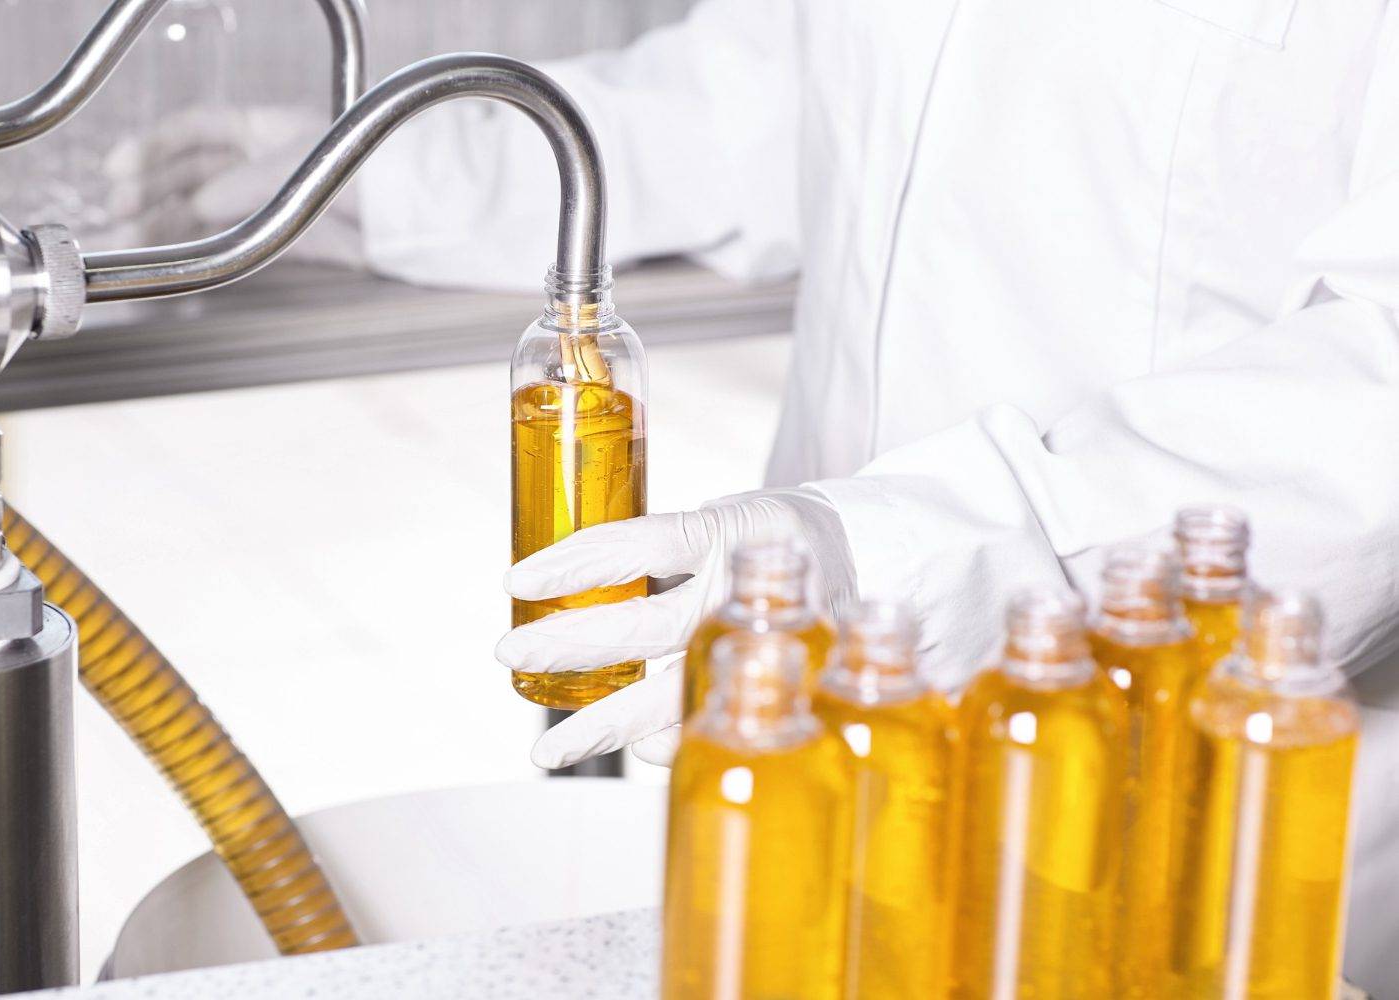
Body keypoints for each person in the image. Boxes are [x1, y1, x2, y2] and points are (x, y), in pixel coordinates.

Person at [359, 0, 1399, 986]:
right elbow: (742, 108)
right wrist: (371, 175)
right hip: (824, 760)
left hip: (1190, 813)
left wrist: (914, 561)